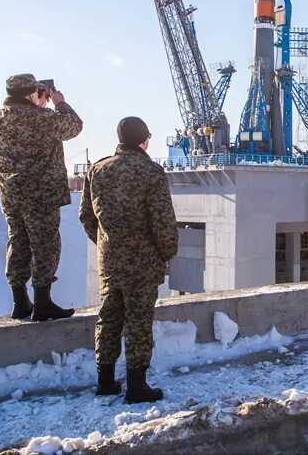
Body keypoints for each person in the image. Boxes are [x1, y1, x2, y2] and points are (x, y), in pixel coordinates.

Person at [80, 117, 179, 403]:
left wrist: (105, 243)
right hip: (143, 263)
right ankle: (137, 386)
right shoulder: (152, 172)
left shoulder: (97, 170)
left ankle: (105, 381)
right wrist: (165, 252)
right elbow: (163, 222)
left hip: (110, 261)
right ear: (144, 140)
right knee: (138, 321)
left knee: (109, 317)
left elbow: (86, 215)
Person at [0, 74, 83, 321]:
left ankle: (19, 302)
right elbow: (73, 125)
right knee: (45, 245)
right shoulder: (43, 118)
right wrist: (60, 103)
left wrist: (39, 105)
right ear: (31, 93)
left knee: (18, 242)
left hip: (11, 195)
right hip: (40, 194)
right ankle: (43, 302)